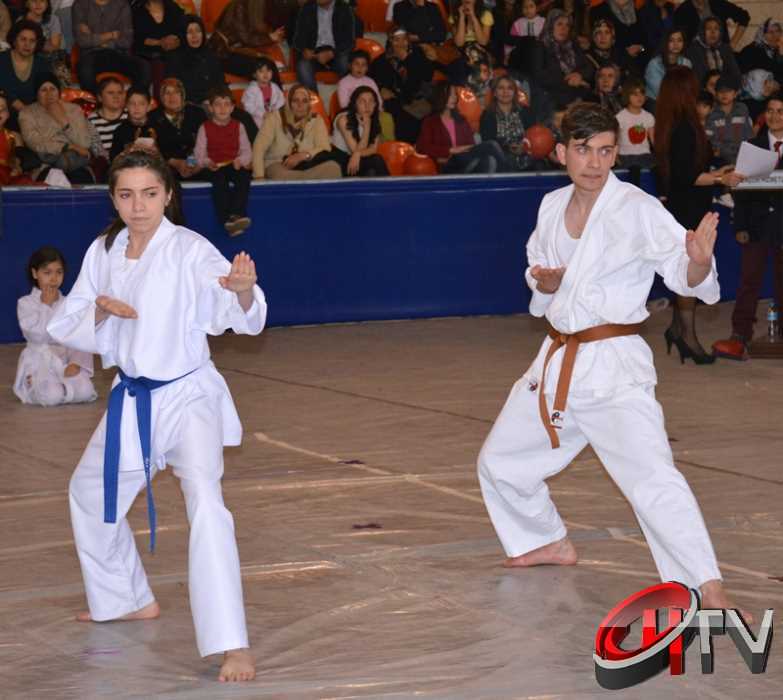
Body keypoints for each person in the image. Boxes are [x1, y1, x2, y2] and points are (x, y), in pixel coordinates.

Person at [477, 100, 744, 620]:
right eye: (583, 150)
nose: (595, 163)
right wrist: (545, 282)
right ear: (561, 153)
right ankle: (544, 540)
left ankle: (707, 588)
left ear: (616, 153)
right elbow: (537, 269)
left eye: (605, 151)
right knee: (500, 461)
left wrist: (698, 261)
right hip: (557, 360)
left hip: (613, 367)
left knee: (653, 480)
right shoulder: (551, 206)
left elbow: (684, 271)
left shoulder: (635, 208)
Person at [46, 147, 264, 683]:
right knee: (89, 493)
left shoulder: (189, 248)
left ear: (168, 194)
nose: (138, 206)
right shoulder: (104, 250)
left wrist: (241, 293)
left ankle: (232, 643)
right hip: (132, 397)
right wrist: (101, 312)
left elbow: (232, 311)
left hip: (188, 398)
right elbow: (68, 319)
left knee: (206, 505)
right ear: (113, 199)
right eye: (126, 195)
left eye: (149, 193)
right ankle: (125, 598)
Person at [654, 65, 742, 363]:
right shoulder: (684, 128)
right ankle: (688, 338)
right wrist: (720, 178)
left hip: (681, 205)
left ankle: (676, 330)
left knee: (684, 268)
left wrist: (717, 172)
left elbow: (685, 171)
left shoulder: (670, 125)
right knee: (689, 273)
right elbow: (689, 176)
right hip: (689, 208)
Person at [712, 94, 783, 360]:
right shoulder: (752, 146)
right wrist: (740, 225)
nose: (775, 116)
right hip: (755, 225)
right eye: (771, 111)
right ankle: (740, 336)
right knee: (748, 281)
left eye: (781, 111)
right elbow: (740, 190)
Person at [14, 246, 96, 405]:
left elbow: (79, 335)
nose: (53, 278)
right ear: (35, 273)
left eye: (59, 272)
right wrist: (45, 306)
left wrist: (75, 363)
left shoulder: (68, 303)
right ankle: (32, 380)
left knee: (85, 391)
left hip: (64, 361)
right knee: (52, 396)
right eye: (47, 273)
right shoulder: (25, 303)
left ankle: (60, 384)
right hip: (38, 361)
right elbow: (37, 336)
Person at [252, 83, 342, 180]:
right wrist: (259, 176)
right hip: (278, 164)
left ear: (309, 104)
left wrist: (304, 155)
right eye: (295, 100)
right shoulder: (274, 118)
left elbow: (325, 147)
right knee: (283, 176)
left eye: (305, 101)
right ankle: (306, 182)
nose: (300, 105)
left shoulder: (316, 120)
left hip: (307, 164)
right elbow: (259, 147)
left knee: (333, 169)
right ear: (289, 102)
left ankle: (301, 182)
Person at [195, 86, 253, 235]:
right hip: (213, 166)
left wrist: (240, 161)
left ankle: (236, 215)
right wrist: (207, 162)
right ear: (211, 108)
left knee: (244, 177)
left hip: (233, 164)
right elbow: (199, 154)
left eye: (227, 104)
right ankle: (226, 219)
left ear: (232, 108)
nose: (222, 108)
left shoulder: (239, 126)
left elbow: (247, 151)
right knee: (219, 182)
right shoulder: (204, 127)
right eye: (218, 104)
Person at [19, 72, 97, 183]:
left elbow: (84, 143)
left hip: (76, 162)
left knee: (82, 180)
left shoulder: (74, 109)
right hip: (46, 164)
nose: (49, 94)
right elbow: (35, 142)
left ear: (58, 91)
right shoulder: (27, 113)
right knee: (51, 181)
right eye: (43, 90)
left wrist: (63, 121)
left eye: (53, 89)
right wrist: (67, 146)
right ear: (36, 94)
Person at [416, 81, 504, 174]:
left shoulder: (461, 120)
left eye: (455, 94)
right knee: (491, 145)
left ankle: (502, 179)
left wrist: (463, 150)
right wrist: (451, 150)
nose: (454, 98)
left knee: (489, 160)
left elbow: (471, 145)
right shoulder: (430, 122)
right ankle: (508, 173)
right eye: (450, 94)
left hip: (465, 159)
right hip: (447, 164)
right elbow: (423, 147)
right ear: (439, 96)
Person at [370, 27, 434, 143]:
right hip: (396, 100)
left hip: (417, 97)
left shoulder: (417, 54)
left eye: (404, 39)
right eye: (396, 40)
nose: (401, 44)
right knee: (399, 114)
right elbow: (371, 79)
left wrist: (407, 59)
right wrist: (380, 89)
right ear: (390, 41)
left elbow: (427, 76)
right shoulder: (382, 60)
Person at [72, 0, 151, 95]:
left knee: (143, 66)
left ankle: (134, 99)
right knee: (85, 70)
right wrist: (111, 35)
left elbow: (127, 41)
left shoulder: (122, 4)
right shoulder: (80, 4)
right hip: (91, 54)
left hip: (118, 53)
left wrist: (95, 38)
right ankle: (98, 101)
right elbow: (82, 41)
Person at [149, 77, 206, 180]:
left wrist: (194, 163)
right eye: (167, 93)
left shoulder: (197, 113)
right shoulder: (152, 117)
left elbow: (208, 140)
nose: (172, 97)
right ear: (161, 96)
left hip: (198, 164)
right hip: (166, 167)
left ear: (182, 94)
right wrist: (175, 162)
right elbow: (151, 148)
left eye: (176, 92)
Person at [164, 14, 226, 108]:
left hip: (214, 104)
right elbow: (175, 91)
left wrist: (216, 100)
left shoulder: (211, 54)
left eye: (198, 31)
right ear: (182, 35)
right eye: (189, 32)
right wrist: (203, 102)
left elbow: (221, 84)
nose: (195, 36)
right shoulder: (174, 58)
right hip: (189, 106)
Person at [292, 0, 355, 90]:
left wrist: (332, 53)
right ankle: (314, 98)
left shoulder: (344, 9)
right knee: (303, 67)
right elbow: (297, 40)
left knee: (345, 63)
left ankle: (348, 95)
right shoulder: (307, 9)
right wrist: (304, 50)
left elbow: (349, 41)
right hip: (314, 54)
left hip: (336, 53)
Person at [537, 9, 592, 109]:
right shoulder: (539, 47)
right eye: (559, 24)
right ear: (550, 26)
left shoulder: (572, 44)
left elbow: (588, 67)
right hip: (553, 101)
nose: (564, 28)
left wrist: (579, 75)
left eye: (567, 25)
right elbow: (540, 77)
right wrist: (568, 81)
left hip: (579, 97)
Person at [0, 20, 50, 128]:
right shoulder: (2, 60)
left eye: (32, 41)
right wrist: (28, 113)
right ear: (14, 40)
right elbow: (6, 93)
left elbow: (47, 93)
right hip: (6, 117)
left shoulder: (42, 64)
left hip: (36, 117)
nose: (27, 44)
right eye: (23, 39)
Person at [479, 75, 534, 171]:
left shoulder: (525, 111)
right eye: (501, 88)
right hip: (501, 157)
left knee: (540, 164)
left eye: (510, 88)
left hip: (526, 152)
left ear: (515, 92)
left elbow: (534, 136)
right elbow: (489, 142)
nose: (505, 92)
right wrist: (508, 147)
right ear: (495, 93)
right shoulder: (488, 115)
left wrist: (524, 147)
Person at [331, 85, 389, 176]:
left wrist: (358, 154)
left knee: (373, 167)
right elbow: (355, 150)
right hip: (341, 162)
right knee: (375, 161)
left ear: (375, 104)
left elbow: (373, 149)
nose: (367, 106)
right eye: (362, 101)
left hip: (359, 159)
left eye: (371, 101)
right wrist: (367, 128)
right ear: (355, 104)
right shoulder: (343, 119)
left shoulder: (374, 119)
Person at [132, 0, 184, 98]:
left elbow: (182, 32)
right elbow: (136, 39)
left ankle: (175, 100)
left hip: (171, 51)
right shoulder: (137, 9)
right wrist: (160, 42)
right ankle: (153, 101)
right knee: (157, 64)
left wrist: (176, 40)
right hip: (145, 53)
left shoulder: (173, 8)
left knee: (176, 59)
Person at [589, 0, 649, 75]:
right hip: (611, 66)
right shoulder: (598, 11)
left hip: (639, 66)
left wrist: (641, 48)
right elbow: (600, 43)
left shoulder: (638, 12)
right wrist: (625, 53)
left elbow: (646, 42)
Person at [704, 74, 753, 165]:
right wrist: (722, 151)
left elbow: (748, 133)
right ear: (716, 94)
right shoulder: (711, 112)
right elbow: (710, 139)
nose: (724, 94)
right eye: (720, 91)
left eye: (728, 91)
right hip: (721, 158)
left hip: (743, 155)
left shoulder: (742, 108)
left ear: (735, 93)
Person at [615, 76, 654, 180]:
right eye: (635, 94)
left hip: (645, 155)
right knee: (634, 170)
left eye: (642, 93)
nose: (639, 97)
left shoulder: (648, 116)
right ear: (627, 96)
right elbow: (615, 138)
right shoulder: (620, 117)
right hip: (626, 156)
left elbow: (653, 139)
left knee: (657, 170)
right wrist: (615, 155)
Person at [685, 16, 741, 86]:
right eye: (708, 28)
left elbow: (735, 73)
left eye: (716, 29)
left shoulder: (725, 48)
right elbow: (698, 75)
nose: (713, 32)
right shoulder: (694, 49)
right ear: (702, 31)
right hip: (702, 88)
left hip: (724, 87)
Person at [673, 0, 749, 49]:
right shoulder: (683, 10)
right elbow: (679, 36)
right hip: (696, 56)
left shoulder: (717, 3)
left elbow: (744, 17)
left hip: (722, 53)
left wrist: (732, 44)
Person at [644, 27, 692, 101]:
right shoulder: (654, 64)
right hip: (656, 102)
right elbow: (661, 92)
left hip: (680, 101)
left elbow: (688, 88)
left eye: (679, 40)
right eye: (671, 40)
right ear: (665, 42)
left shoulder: (687, 63)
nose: (676, 44)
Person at [110, 86, 157, 160]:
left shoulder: (158, 127)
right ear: (126, 106)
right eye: (132, 103)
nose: (136, 107)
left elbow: (167, 154)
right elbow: (113, 158)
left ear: (148, 107)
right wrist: (127, 151)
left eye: (141, 104)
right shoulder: (120, 130)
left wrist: (156, 151)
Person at [241, 56, 285, 130]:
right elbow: (248, 106)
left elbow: (281, 99)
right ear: (254, 75)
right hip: (257, 117)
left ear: (272, 72)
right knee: (262, 128)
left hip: (272, 114)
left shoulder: (274, 87)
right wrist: (262, 114)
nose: (265, 74)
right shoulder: (251, 90)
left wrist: (275, 109)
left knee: (280, 124)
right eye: (261, 71)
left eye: (268, 70)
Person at [86, 76, 127, 156]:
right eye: (110, 93)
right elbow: (96, 151)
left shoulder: (129, 115)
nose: (116, 96)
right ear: (100, 97)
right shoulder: (92, 120)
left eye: (120, 92)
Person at [737, 19, 782, 86]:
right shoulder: (752, 50)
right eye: (770, 32)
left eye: (778, 31)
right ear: (762, 34)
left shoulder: (778, 49)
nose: (775, 35)